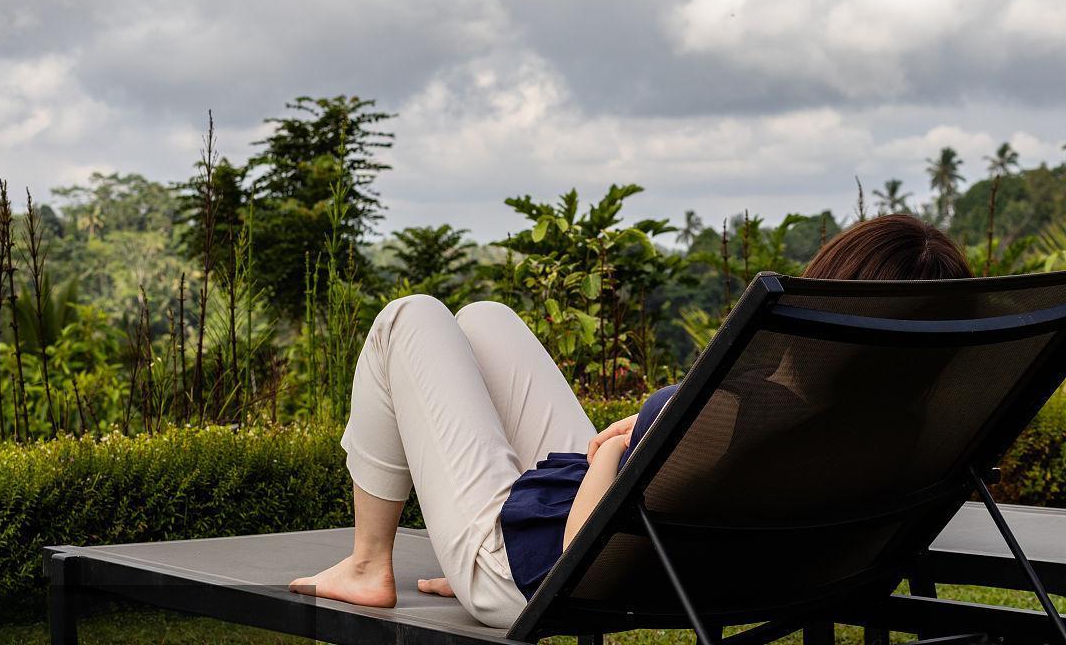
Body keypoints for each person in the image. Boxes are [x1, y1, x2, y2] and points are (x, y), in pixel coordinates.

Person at [288, 214, 972, 627]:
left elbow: (583, 563)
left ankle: (369, 563)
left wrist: (616, 455)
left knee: (409, 317)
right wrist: (636, 446)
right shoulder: (887, 430)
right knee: (483, 321)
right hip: (634, 547)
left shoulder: (735, 409)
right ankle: (453, 538)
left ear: (826, 285)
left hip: (534, 575)